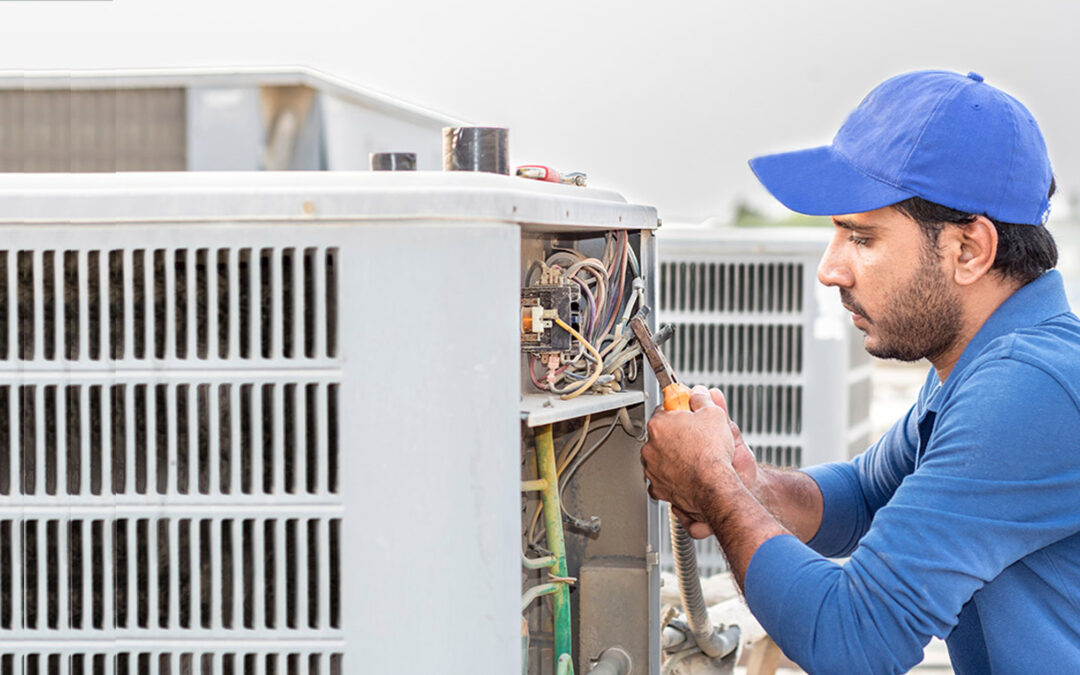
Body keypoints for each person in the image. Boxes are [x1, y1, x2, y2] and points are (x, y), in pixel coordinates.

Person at [641, 69, 1080, 674]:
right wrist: (747, 482)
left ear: (970, 250)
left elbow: (853, 642)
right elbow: (866, 498)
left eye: (862, 237)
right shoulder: (980, 360)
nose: (830, 270)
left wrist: (712, 487)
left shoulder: (1028, 387)